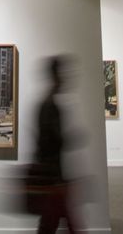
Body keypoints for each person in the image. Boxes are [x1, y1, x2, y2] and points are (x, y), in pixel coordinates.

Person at [33, 56, 76, 234]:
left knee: (50, 224)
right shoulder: (49, 105)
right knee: (52, 224)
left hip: (53, 176)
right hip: (52, 176)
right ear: (55, 76)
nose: (66, 79)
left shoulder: (48, 103)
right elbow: (52, 141)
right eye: (63, 74)